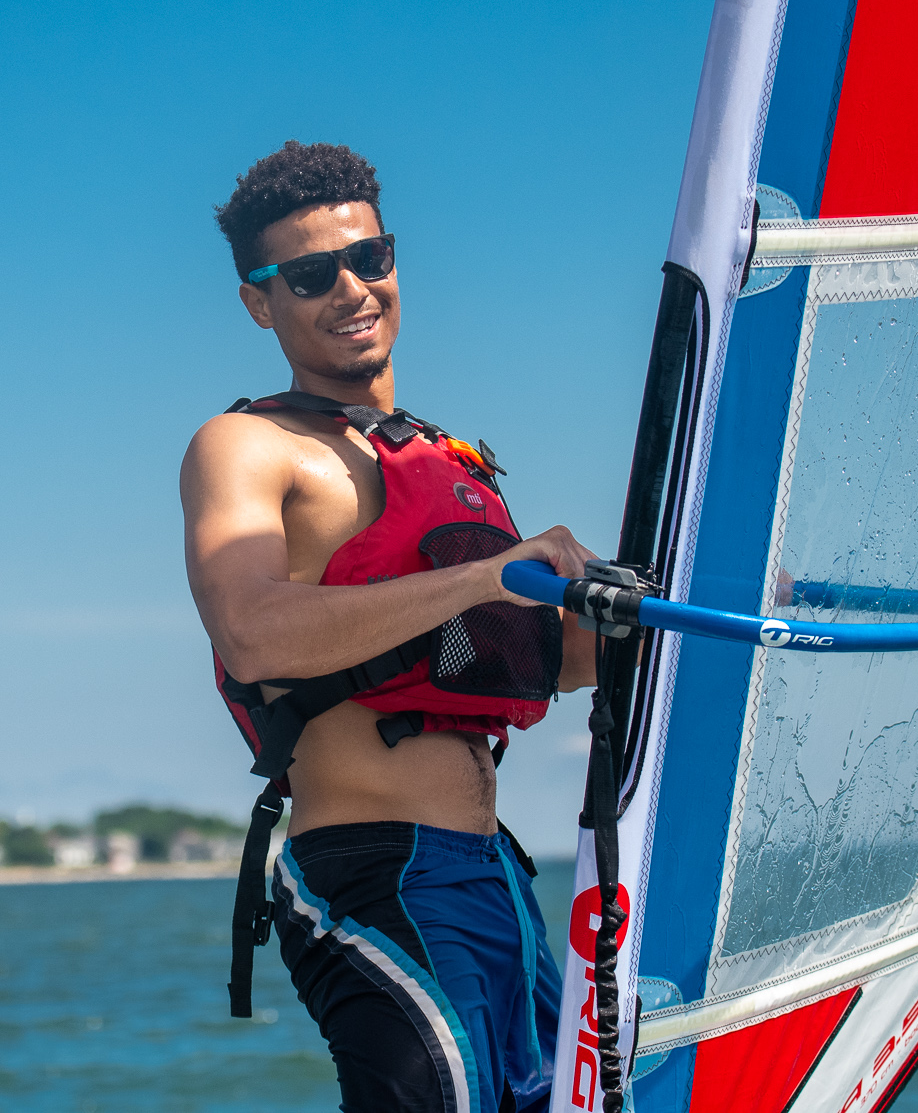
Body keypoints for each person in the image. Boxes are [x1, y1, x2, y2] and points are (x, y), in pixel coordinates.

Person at [180, 140, 603, 1113]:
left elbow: (550, 659)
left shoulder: (450, 463)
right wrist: (488, 575)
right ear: (259, 301)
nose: (350, 289)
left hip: (495, 871)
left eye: (368, 259)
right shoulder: (244, 449)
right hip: (374, 875)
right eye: (308, 274)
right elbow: (250, 629)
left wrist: (693, 599)